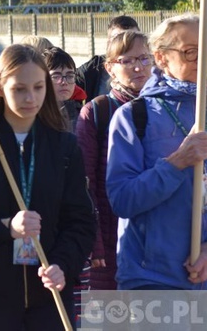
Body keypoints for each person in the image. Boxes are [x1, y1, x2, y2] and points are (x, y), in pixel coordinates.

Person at [0, 44, 95, 330]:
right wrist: (6, 227)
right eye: (19, 89)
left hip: (50, 293)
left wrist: (62, 264)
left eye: (38, 87)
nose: (30, 97)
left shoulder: (64, 147)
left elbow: (81, 221)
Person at [108, 13, 207, 290]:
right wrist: (177, 163)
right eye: (190, 52)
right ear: (161, 58)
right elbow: (122, 199)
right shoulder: (133, 117)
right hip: (151, 280)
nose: (202, 60)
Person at [76, 30, 152, 291]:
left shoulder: (165, 107)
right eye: (127, 60)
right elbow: (84, 182)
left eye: (144, 58)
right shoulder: (96, 112)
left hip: (159, 240)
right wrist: (94, 241)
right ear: (110, 67)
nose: (138, 67)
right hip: (109, 243)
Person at [76, 15, 140, 101]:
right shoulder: (93, 68)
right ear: (108, 43)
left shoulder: (150, 68)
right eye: (118, 40)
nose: (125, 45)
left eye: (131, 40)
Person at [43, 47, 82, 132]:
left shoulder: (85, 115)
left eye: (70, 76)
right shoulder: (36, 116)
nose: (64, 82)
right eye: (56, 76)